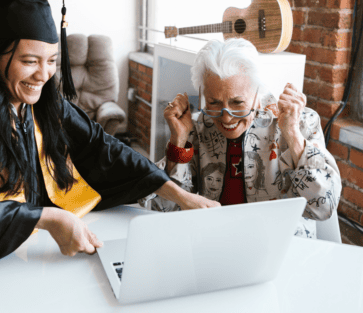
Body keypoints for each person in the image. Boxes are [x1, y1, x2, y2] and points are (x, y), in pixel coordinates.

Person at [0, 0, 213, 313]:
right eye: (29, 61)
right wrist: (45, 217)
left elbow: (101, 147)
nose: (43, 75)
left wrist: (180, 195)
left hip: (25, 266)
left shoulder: (45, 101)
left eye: (51, 62)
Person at [141, 38, 341, 238]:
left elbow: (323, 208)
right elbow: (166, 211)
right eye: (214, 102)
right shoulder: (199, 125)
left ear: (257, 93)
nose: (226, 117)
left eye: (237, 102)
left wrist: (293, 135)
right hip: (215, 242)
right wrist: (179, 141)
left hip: (281, 246)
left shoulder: (301, 121)